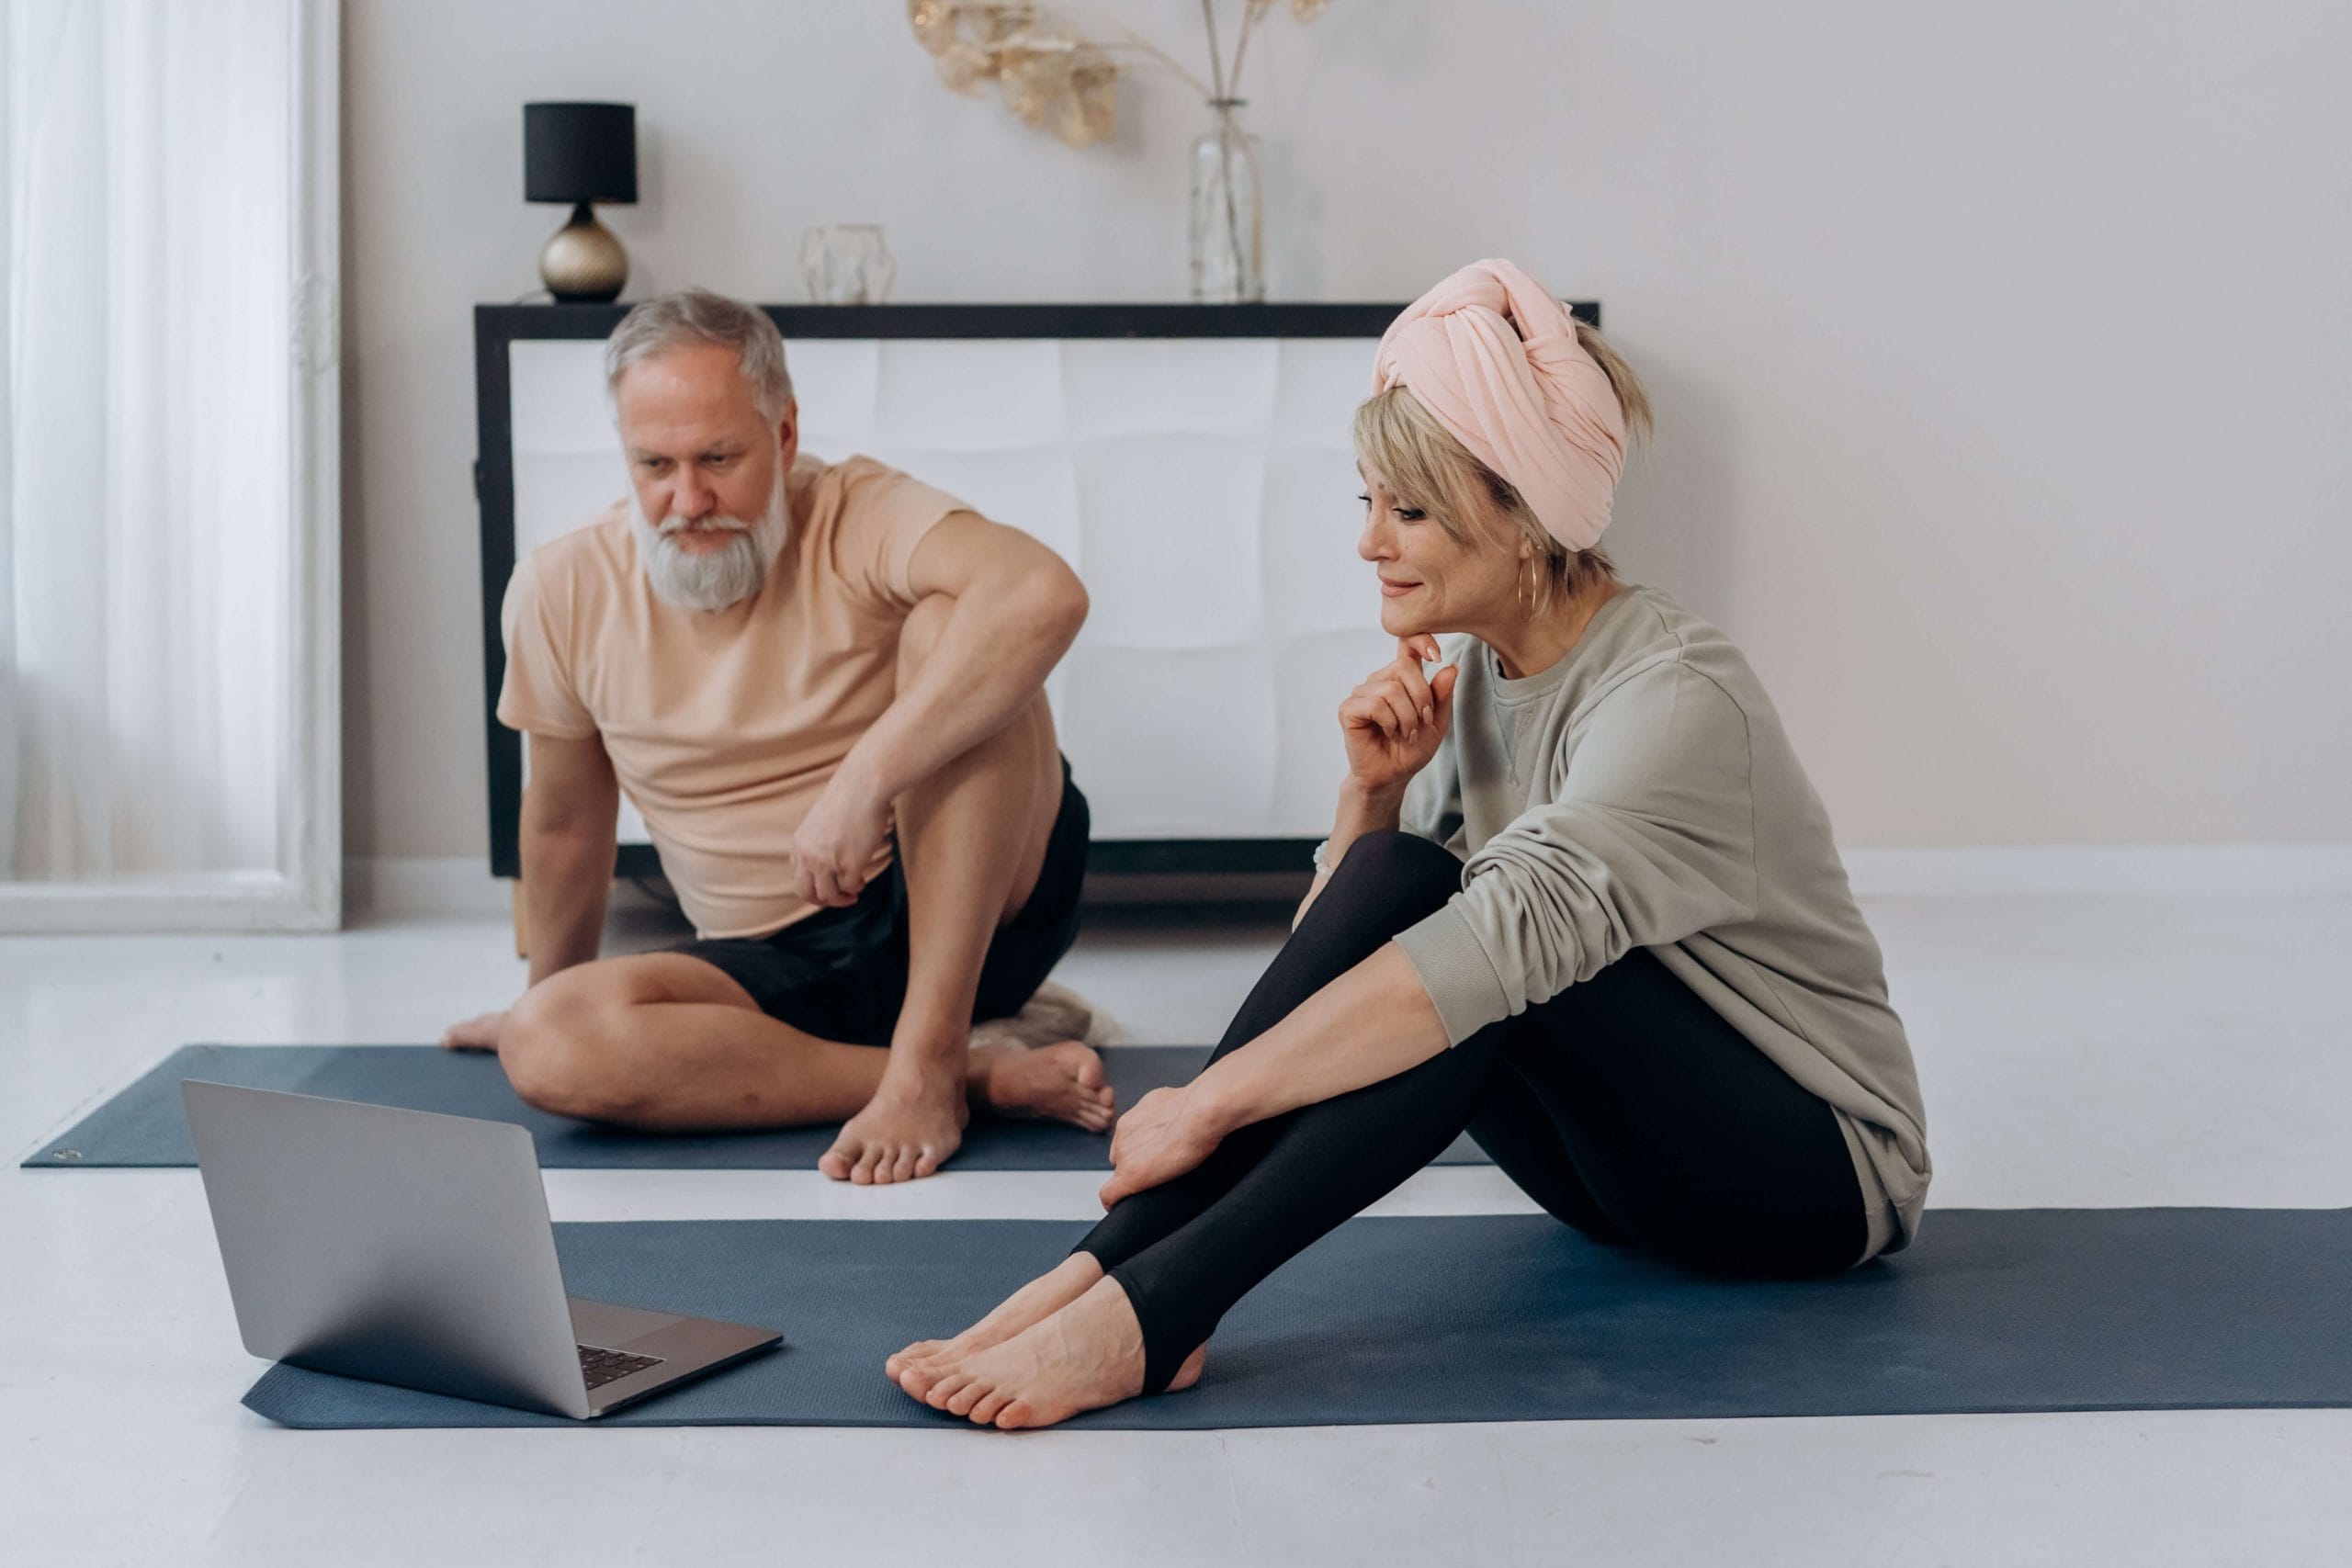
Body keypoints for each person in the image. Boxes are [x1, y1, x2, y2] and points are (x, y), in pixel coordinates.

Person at [883, 259, 1932, 1426]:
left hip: (1810, 1182)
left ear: (1524, 518)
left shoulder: (1676, 695)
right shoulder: (1483, 676)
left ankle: (1150, 1307)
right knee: (1411, 886)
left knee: (1483, 959)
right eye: (1368, 502)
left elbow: (1473, 958)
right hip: (1622, 1177)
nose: (1372, 543)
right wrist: (1369, 801)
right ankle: (1110, 1279)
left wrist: (1213, 1098)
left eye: (1412, 511)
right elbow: (1350, 955)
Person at [441, 288, 1113, 1183]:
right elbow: (566, 822)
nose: (687, 498)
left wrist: (864, 781)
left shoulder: (857, 510)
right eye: (653, 464)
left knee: (958, 621)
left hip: (972, 910)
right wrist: (546, 999)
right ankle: (974, 1073)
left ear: (784, 435)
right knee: (549, 1045)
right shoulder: (561, 588)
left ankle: (928, 1055)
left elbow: (1041, 594)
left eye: (719, 457)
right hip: (772, 968)